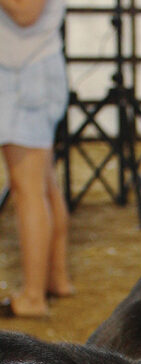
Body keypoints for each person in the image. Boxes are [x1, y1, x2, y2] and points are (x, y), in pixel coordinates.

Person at [0, 0, 72, 318]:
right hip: (29, 71)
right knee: (43, 185)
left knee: (27, 188)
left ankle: (32, 296)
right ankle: (56, 279)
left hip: (24, 76)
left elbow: (27, 12)